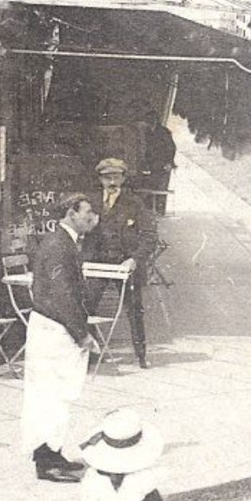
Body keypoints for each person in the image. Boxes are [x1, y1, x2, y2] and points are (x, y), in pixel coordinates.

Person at [24, 193, 101, 483]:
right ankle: (46, 462)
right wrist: (82, 335)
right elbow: (63, 295)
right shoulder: (59, 245)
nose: (91, 217)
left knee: (54, 395)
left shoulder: (63, 242)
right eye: (87, 212)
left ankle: (52, 454)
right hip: (53, 330)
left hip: (54, 328)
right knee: (49, 395)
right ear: (71, 213)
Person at [86, 158, 153, 368]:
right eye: (107, 177)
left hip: (125, 264)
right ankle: (92, 353)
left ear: (123, 178)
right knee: (86, 306)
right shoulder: (91, 203)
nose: (112, 181)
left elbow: (150, 236)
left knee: (134, 309)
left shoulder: (135, 203)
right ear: (100, 179)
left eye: (116, 177)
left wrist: (135, 259)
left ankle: (141, 355)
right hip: (98, 263)